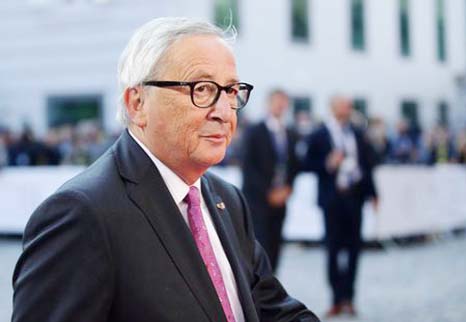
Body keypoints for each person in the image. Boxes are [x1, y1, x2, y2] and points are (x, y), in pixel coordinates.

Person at [12, 17, 320, 322]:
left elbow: (273, 309)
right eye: (202, 89)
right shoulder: (82, 214)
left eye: (230, 91)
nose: (224, 112)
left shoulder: (227, 200)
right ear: (137, 103)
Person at [302, 96, 377, 317]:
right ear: (333, 108)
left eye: (349, 106)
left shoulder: (357, 133)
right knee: (333, 250)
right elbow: (307, 163)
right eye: (343, 105)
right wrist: (327, 163)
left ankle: (349, 298)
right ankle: (335, 299)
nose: (347, 109)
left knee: (354, 250)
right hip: (332, 199)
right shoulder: (320, 134)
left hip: (355, 197)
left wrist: (373, 193)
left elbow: (367, 164)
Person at [241, 89, 299, 272]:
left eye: (283, 102)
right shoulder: (255, 131)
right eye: (277, 101)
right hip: (258, 200)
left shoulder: (289, 133)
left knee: (276, 244)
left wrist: (287, 188)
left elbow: (293, 165)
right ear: (268, 103)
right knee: (260, 244)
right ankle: (258, 289)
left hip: (280, 199)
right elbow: (249, 167)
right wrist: (268, 192)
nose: (280, 106)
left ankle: (271, 286)